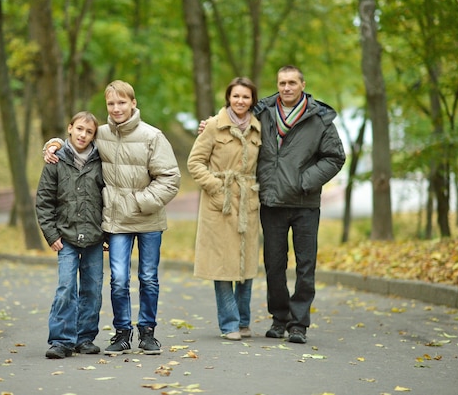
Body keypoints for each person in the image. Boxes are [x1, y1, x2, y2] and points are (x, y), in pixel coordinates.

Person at [199, 65, 345, 344]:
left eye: (292, 82)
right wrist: (208, 124)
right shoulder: (263, 112)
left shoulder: (320, 119)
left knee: (305, 264)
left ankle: (299, 323)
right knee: (274, 264)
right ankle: (279, 319)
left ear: (303, 84)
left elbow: (335, 158)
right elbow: (233, 117)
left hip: (305, 202)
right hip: (270, 201)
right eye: (282, 83)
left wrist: (304, 181)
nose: (286, 87)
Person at [43, 80, 181, 355]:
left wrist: (138, 201)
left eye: (122, 102)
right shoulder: (101, 134)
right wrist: (53, 144)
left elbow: (171, 178)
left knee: (149, 277)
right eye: (111, 103)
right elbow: (75, 144)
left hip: (149, 219)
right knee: (118, 278)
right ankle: (122, 333)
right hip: (117, 223)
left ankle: (148, 333)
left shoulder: (153, 136)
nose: (116, 108)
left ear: (133, 103)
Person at [187, 77, 261, 341]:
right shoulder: (214, 127)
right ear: (228, 98)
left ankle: (243, 321)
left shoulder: (258, 128)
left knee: (246, 265)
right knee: (222, 266)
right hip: (219, 204)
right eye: (236, 96)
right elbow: (194, 162)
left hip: (248, 203)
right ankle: (229, 324)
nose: (240, 101)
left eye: (246, 97)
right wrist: (215, 188)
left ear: (253, 100)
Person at [36, 111, 105, 359]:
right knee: (66, 287)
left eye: (89, 132)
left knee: (92, 289)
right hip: (65, 237)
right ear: (69, 129)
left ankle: (85, 338)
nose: (83, 135)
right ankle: (61, 340)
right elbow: (44, 201)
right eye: (79, 129)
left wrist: (106, 232)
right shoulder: (55, 161)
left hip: (95, 238)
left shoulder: (100, 161)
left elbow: (108, 198)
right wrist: (50, 233)